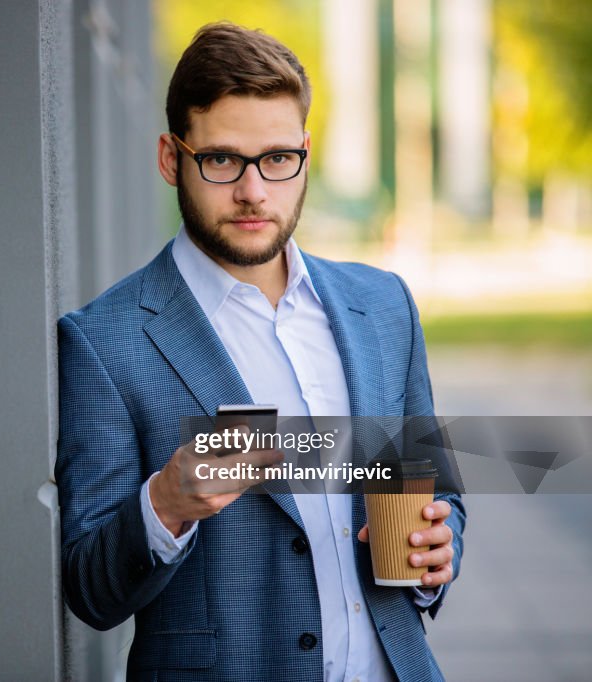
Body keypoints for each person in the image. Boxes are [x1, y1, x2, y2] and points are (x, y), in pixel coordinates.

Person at [55, 22, 465, 682]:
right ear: (171, 158)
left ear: (304, 153)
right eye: (222, 159)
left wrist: (438, 553)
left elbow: (434, 488)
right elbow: (90, 590)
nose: (254, 191)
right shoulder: (105, 342)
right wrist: (164, 504)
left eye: (277, 159)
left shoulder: (383, 307)